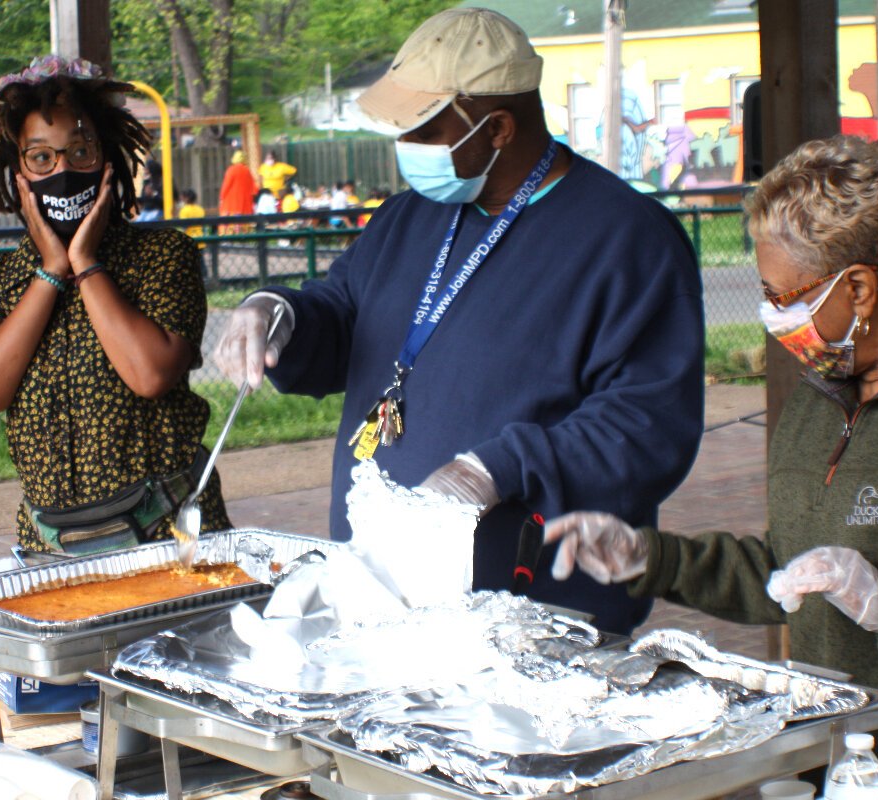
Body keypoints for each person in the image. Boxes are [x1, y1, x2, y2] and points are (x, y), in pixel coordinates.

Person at [544, 135, 878, 800]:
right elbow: (791, 573)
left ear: (858, 287)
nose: (773, 315)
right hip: (845, 760)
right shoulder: (821, 393)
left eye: (785, 295)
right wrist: (651, 559)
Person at [213, 8, 703, 633]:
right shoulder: (408, 216)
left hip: (533, 616)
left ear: (497, 128)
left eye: (423, 131)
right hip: (384, 602)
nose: (406, 148)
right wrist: (281, 314)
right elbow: (345, 315)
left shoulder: (628, 238)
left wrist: (498, 468)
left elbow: (647, 424)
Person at [0, 55, 229, 555]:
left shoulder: (162, 255)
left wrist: (84, 263)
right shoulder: (4, 278)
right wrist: (50, 272)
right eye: (41, 157)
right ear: (18, 174)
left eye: (80, 151)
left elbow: (150, 375)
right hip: (50, 549)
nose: (62, 170)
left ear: (107, 160)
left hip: (167, 536)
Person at [218, 150, 256, 232]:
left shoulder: (231, 170)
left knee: (228, 223)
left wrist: (221, 197)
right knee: (242, 223)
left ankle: (227, 233)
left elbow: (226, 185)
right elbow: (252, 187)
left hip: (230, 202)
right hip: (243, 202)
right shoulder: (247, 170)